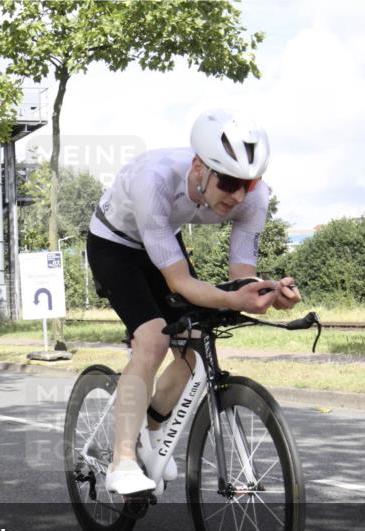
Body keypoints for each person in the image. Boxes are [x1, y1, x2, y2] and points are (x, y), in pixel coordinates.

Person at [86, 109, 301, 495]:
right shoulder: (154, 179)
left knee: (195, 342)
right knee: (153, 338)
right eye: (229, 182)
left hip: (161, 237)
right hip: (114, 244)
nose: (238, 196)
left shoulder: (254, 199)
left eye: (249, 184)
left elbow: (242, 275)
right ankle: (122, 461)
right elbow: (180, 282)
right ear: (199, 167)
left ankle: (152, 434)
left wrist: (267, 292)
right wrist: (233, 298)